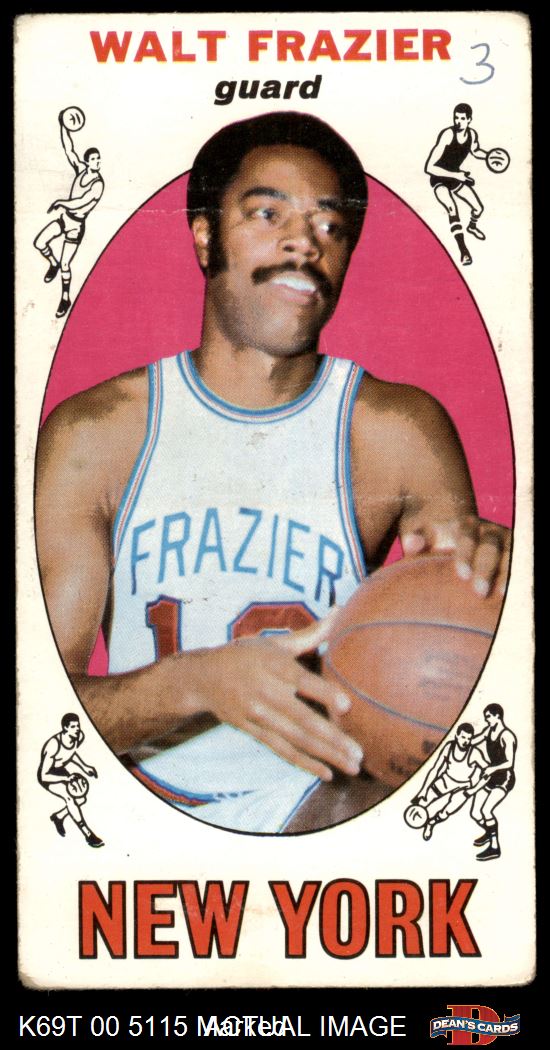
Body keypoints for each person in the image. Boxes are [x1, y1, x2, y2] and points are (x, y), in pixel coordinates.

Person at [35, 112, 510, 826]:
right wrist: (197, 684)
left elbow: (464, 660)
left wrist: (494, 574)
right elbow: (41, 715)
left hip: (320, 802)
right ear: (204, 237)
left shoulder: (397, 430)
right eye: (267, 213)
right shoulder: (95, 433)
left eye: (329, 225)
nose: (304, 241)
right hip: (141, 812)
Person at [33, 112, 104, 318]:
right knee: (39, 243)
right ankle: (52, 263)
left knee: (66, 264)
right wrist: (63, 125)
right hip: (65, 219)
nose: (97, 162)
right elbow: (69, 149)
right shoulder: (81, 169)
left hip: (76, 226)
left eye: (98, 159)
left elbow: (80, 202)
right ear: (87, 162)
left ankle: (65, 298)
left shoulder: (98, 184)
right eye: (94, 159)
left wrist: (60, 202)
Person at [425, 103, 488, 266]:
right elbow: (429, 167)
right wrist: (457, 175)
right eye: (456, 118)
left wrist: (489, 156)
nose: (458, 121)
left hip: (456, 177)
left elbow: (476, 151)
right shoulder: (447, 135)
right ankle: (464, 251)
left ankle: (472, 227)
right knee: (452, 208)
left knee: (478, 208)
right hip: (439, 178)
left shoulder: (472, 134)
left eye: (462, 118)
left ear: (469, 120)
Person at [412, 723, 488, 841]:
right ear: (457, 735)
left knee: (447, 811)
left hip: (463, 786)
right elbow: (435, 769)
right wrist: (423, 790)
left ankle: (431, 823)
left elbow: (488, 771)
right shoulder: (449, 747)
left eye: (468, 738)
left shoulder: (474, 753)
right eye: (463, 737)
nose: (465, 741)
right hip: (446, 780)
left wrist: (475, 788)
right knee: (423, 802)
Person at [37, 713, 103, 847]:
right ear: (65, 728)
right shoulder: (53, 745)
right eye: (73, 727)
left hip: (61, 770)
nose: (77, 729)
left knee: (81, 799)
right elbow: (44, 775)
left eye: (78, 726)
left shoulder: (79, 737)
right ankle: (88, 834)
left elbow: (71, 753)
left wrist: (85, 767)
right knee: (70, 798)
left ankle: (58, 817)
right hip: (49, 776)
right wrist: (66, 778)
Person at [469, 704, 517, 861]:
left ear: (497, 716)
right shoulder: (489, 730)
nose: (486, 720)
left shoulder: (507, 736)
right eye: (485, 717)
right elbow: (475, 740)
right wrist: (462, 741)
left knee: (486, 811)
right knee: (475, 813)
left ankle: (494, 847)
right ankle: (490, 832)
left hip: (504, 778)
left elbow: (509, 763)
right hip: (491, 775)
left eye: (488, 717)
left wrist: (492, 769)